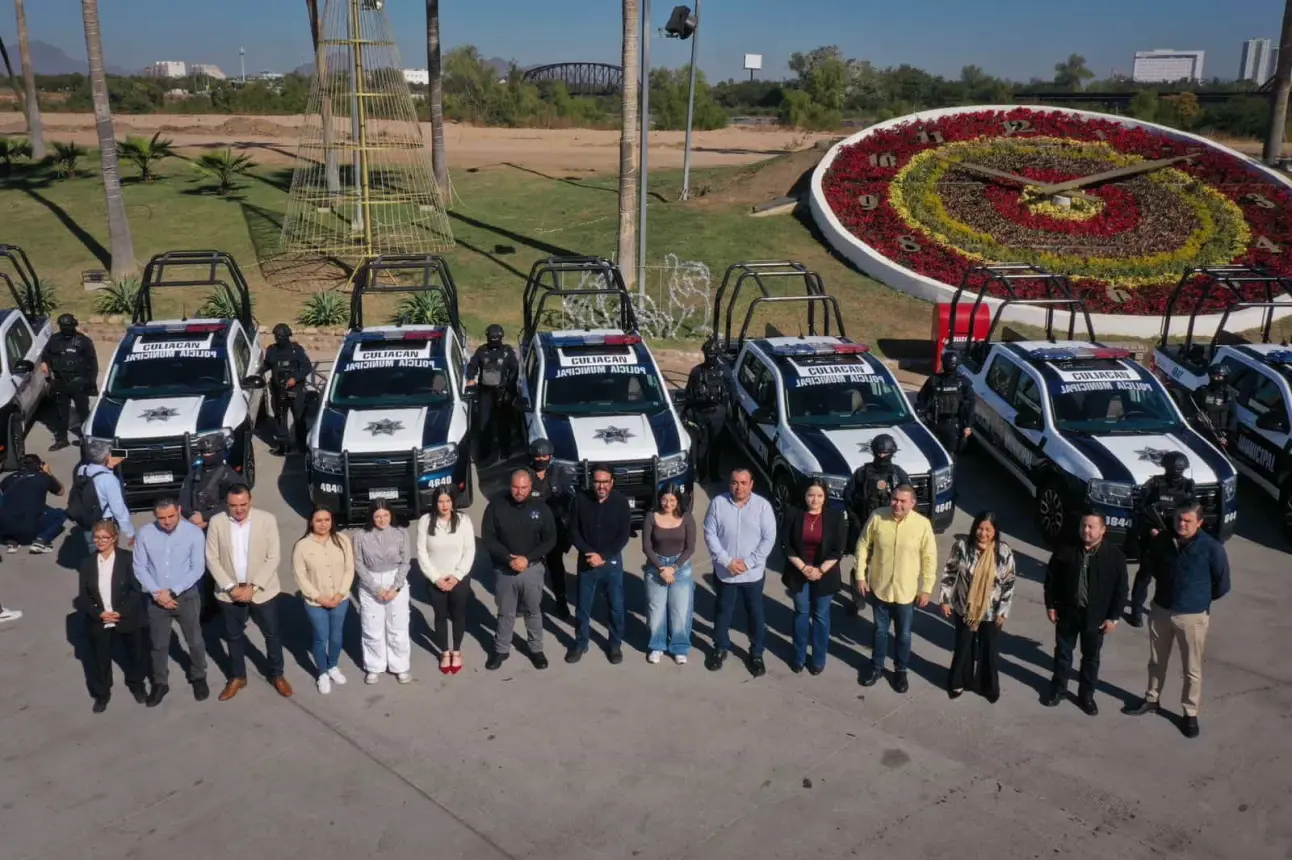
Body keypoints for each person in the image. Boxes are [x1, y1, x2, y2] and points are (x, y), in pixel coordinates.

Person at [1124, 502, 1230, 738]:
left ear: (1200, 522)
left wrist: (1197, 601)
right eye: (1179, 520)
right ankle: (1152, 699)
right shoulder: (1161, 541)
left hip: (1192, 616)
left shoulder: (1212, 548)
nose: (1182, 524)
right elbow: (1147, 569)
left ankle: (1190, 713)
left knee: (1191, 668)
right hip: (1161, 610)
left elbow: (1222, 585)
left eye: (1188, 521)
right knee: (1156, 661)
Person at [204, 485, 291, 701]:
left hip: (262, 590)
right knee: (233, 636)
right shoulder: (217, 522)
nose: (239, 509)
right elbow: (211, 559)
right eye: (234, 505)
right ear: (227, 504)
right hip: (229, 593)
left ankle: (277, 674)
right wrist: (231, 587)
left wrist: (253, 587)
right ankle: (238, 676)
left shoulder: (267, 520)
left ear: (250, 501)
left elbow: (273, 557)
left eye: (243, 504)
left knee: (271, 635)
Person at [1042, 511, 1128, 715]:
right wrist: (1051, 605)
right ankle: (1059, 690)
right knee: (1063, 654)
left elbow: (1121, 589)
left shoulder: (1114, 556)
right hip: (1068, 613)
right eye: (1083, 526)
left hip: (1095, 618)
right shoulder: (1066, 548)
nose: (1086, 531)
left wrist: (1113, 617)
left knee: (1090, 658)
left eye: (1091, 527)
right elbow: (1051, 579)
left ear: (1103, 530)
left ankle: (1086, 695)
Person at [855, 483, 937, 693]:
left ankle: (901, 671)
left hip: (906, 593)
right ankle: (876, 667)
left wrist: (927, 588)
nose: (897, 504)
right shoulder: (878, 517)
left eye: (902, 501)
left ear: (912, 503)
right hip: (880, 588)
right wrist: (860, 576)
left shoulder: (922, 525)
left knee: (904, 635)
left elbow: (929, 558)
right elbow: (863, 544)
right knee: (880, 631)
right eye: (894, 499)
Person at [133, 498, 209, 708]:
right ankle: (160, 682)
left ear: (179, 511)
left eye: (171, 516)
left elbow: (197, 568)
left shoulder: (193, 533)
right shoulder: (146, 533)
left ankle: (199, 676)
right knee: (158, 644)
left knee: (194, 639)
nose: (166, 522)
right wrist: (158, 593)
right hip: (156, 598)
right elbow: (140, 567)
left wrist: (173, 591)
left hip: (185, 595)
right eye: (161, 518)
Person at [703, 468, 777, 677]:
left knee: (755, 613)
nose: (739, 487)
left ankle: (756, 653)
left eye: (744, 483)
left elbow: (769, 538)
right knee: (723, 612)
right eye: (735, 482)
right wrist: (727, 561)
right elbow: (709, 532)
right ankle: (720, 648)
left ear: (751, 484)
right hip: (725, 573)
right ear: (730, 484)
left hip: (752, 575)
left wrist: (748, 563)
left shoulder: (763, 507)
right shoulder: (718, 503)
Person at [481, 469, 556, 671]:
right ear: (510, 485)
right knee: (506, 612)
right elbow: (489, 537)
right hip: (504, 570)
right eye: (516, 487)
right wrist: (508, 558)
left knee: (533, 611)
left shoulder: (541, 508)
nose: (519, 491)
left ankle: (536, 649)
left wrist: (527, 558)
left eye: (524, 487)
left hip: (532, 569)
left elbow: (550, 539)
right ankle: (501, 649)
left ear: (530, 487)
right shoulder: (496, 506)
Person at [938, 511, 1016, 702]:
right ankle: (958, 682)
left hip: (991, 611)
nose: (983, 533)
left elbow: (1009, 582)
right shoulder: (962, 547)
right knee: (963, 645)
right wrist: (945, 599)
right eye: (980, 528)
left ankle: (987, 686)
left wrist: (1003, 611)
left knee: (989, 650)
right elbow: (950, 573)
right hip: (965, 607)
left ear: (995, 531)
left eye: (988, 529)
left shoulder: (1003, 552)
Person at [78, 520, 148, 713]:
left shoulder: (127, 559)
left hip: (126, 616)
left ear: (114, 538)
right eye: (97, 537)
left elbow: (136, 591)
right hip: (100, 618)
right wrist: (99, 613)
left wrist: (121, 612)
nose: (100, 541)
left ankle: (137, 684)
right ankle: (102, 693)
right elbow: (84, 596)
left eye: (105, 538)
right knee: (100, 658)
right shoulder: (87, 563)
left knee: (135, 654)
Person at [566, 465, 633, 664]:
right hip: (587, 561)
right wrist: (589, 553)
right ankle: (580, 643)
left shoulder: (621, 502)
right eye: (597, 481)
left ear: (612, 481)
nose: (601, 486)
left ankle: (614, 645)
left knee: (616, 607)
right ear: (591, 481)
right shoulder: (580, 500)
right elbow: (573, 531)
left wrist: (603, 556)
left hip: (611, 562)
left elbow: (623, 535)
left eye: (605, 482)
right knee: (583, 607)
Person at [782, 479, 847, 675]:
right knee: (801, 613)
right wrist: (804, 568)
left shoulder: (835, 517)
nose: (815, 499)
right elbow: (786, 544)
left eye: (819, 495)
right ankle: (799, 656)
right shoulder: (794, 514)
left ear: (825, 497)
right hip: (799, 571)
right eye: (811, 495)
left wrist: (819, 570)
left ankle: (818, 659)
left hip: (825, 574)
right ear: (804, 495)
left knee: (820, 615)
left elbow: (838, 550)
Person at [842, 434, 911, 616]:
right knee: (859, 566)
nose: (882, 456)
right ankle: (858, 601)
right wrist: (855, 521)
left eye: (885, 453)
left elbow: (909, 500)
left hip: (890, 529)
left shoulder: (898, 475)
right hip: (865, 526)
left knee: (890, 566)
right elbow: (848, 497)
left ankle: (886, 600)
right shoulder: (862, 473)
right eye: (879, 453)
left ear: (891, 453)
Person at [293, 507, 354, 694]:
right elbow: (300, 576)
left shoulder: (342, 540)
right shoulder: (302, 546)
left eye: (327, 519)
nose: (323, 524)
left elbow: (349, 569)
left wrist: (340, 594)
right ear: (311, 522)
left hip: (339, 599)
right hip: (316, 602)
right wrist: (319, 597)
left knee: (336, 636)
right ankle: (322, 673)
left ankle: (333, 665)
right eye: (318, 520)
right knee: (321, 637)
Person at [180, 433, 240, 624]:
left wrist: (206, 517)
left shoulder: (229, 476)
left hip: (220, 528)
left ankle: (230, 602)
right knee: (202, 569)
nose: (206, 455)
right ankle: (208, 606)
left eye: (211, 451)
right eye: (203, 452)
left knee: (225, 566)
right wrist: (191, 516)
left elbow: (234, 504)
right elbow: (184, 497)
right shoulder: (195, 472)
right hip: (196, 527)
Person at [1130, 451, 1195, 623]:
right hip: (1155, 537)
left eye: (1180, 470)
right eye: (1175, 469)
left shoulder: (1188, 486)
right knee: (1145, 575)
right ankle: (1136, 610)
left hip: (1177, 538)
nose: (1178, 473)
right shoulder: (1155, 484)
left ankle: (1170, 609)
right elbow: (1141, 508)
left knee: (1174, 577)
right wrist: (1152, 529)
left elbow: (1192, 511)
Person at [351, 501, 412, 685]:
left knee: (398, 626)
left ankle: (400, 667)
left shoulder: (401, 533)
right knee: (372, 627)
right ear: (371, 517)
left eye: (385, 515)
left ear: (391, 515)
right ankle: (374, 667)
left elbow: (406, 561)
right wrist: (376, 588)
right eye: (377, 516)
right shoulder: (360, 536)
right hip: (371, 582)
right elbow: (358, 563)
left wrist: (395, 587)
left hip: (395, 581)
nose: (382, 519)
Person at [416, 487, 475, 675]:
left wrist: (457, 575)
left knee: (458, 615)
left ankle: (456, 651)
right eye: (441, 501)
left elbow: (469, 550)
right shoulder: (425, 521)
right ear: (435, 503)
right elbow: (422, 553)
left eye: (448, 501)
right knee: (440, 616)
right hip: (436, 580)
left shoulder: (464, 521)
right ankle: (444, 652)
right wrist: (435, 578)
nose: (444, 505)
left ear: (453, 502)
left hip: (459, 579)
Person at [642, 484, 697, 665]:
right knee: (656, 610)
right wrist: (661, 568)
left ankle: (679, 647)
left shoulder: (687, 518)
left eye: (672, 500)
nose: (668, 503)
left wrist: (674, 567)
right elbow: (647, 546)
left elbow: (690, 548)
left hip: (680, 568)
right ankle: (657, 646)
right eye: (665, 499)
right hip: (655, 567)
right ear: (659, 499)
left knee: (680, 610)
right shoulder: (651, 517)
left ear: (678, 501)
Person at [40, 312, 98, 452]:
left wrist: (91, 382)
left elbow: (92, 363)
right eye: (64, 325)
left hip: (79, 381)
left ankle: (87, 439)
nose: (66, 328)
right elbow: (45, 358)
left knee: (83, 411)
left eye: (69, 325)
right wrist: (47, 374)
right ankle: (62, 439)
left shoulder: (83, 341)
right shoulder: (54, 340)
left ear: (74, 325)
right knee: (61, 413)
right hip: (60, 382)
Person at [527, 438, 571, 619]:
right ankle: (531, 603)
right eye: (537, 456)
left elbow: (567, 500)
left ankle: (561, 600)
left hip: (554, 529)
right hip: (532, 529)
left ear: (550, 456)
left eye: (544, 455)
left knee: (556, 567)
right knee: (532, 568)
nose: (541, 459)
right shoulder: (526, 475)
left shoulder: (559, 473)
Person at [466, 324, 519, 465]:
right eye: (491, 336)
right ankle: (485, 453)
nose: (494, 339)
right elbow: (472, 365)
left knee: (504, 423)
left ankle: (505, 452)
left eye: (496, 336)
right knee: (484, 423)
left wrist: (511, 391)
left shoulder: (507, 353)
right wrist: (470, 378)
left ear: (501, 337)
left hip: (502, 392)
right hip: (485, 393)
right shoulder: (482, 351)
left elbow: (514, 370)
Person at [70, 441, 135, 552]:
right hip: (105, 524)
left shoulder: (82, 470)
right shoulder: (109, 480)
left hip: (87, 521)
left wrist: (108, 466)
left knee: (93, 554)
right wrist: (130, 533)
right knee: (108, 557)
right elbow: (118, 509)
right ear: (107, 457)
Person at [260, 323, 312, 455]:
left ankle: (302, 446)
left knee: (299, 418)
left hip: (295, 390)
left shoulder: (296, 349)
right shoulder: (272, 350)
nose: (278, 339)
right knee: (279, 418)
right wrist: (257, 373)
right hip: (278, 391)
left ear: (287, 336)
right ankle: (283, 446)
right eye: (276, 336)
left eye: (281, 336)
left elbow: (307, 367)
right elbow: (266, 365)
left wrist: (295, 378)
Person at [0, 454, 67, 553]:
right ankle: (42, 540)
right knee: (61, 514)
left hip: (5, 526)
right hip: (29, 526)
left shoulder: (8, 479)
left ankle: (12, 540)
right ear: (39, 466)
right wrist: (49, 473)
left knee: (12, 508)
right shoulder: (44, 477)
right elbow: (61, 491)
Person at [684, 340, 728, 482]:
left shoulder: (724, 372)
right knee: (703, 445)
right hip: (702, 413)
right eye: (709, 354)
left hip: (716, 413)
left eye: (712, 355)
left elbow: (732, 393)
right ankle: (703, 474)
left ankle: (711, 474)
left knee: (715, 445)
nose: (710, 357)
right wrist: (686, 411)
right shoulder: (697, 372)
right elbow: (689, 393)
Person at [916, 349, 974, 455]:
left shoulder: (962, 382)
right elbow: (921, 400)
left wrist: (968, 426)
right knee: (932, 453)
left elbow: (970, 405)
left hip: (952, 424)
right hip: (935, 422)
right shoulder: (934, 380)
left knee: (950, 454)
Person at [1189, 364, 1234, 450]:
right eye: (1216, 376)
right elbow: (1190, 405)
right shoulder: (1202, 390)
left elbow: (1226, 414)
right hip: (1199, 428)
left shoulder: (1226, 395)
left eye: (1221, 377)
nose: (1218, 379)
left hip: (1215, 432)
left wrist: (1222, 433)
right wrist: (1196, 416)